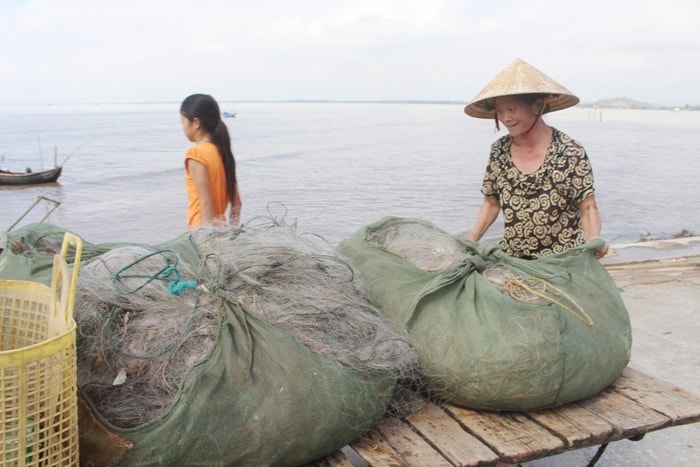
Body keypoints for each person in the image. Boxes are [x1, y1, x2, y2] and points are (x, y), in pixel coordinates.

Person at [464, 58, 608, 260]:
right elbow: (491, 202)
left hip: (562, 260)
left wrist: (594, 238)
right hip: (513, 259)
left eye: (512, 109)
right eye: (500, 110)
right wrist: (472, 237)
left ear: (537, 105)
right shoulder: (499, 150)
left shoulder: (569, 151)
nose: (506, 118)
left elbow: (588, 206)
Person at [180, 93, 242, 229]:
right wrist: (232, 233)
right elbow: (237, 203)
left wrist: (207, 239)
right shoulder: (222, 152)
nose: (183, 128)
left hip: (202, 234)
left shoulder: (196, 154)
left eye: (183, 122)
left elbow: (206, 203)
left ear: (196, 123)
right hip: (221, 232)